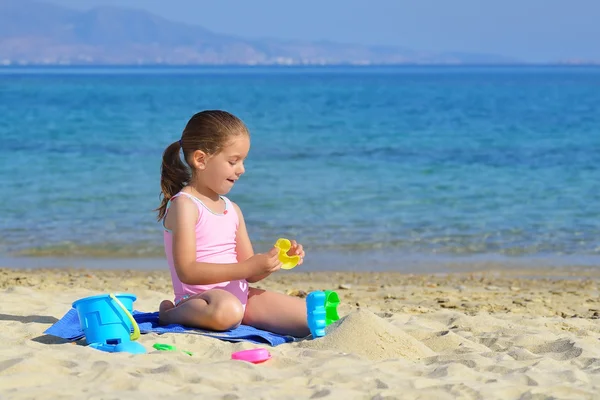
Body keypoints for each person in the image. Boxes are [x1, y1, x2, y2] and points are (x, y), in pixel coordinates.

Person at [156, 110, 309, 337]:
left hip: (241, 298)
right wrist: (247, 268)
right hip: (203, 302)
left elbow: (249, 274)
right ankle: (170, 313)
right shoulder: (185, 205)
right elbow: (187, 271)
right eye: (233, 161)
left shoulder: (232, 209)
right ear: (201, 159)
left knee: (309, 319)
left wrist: (271, 261)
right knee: (227, 311)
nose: (242, 169)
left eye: (243, 161)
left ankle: (238, 312)